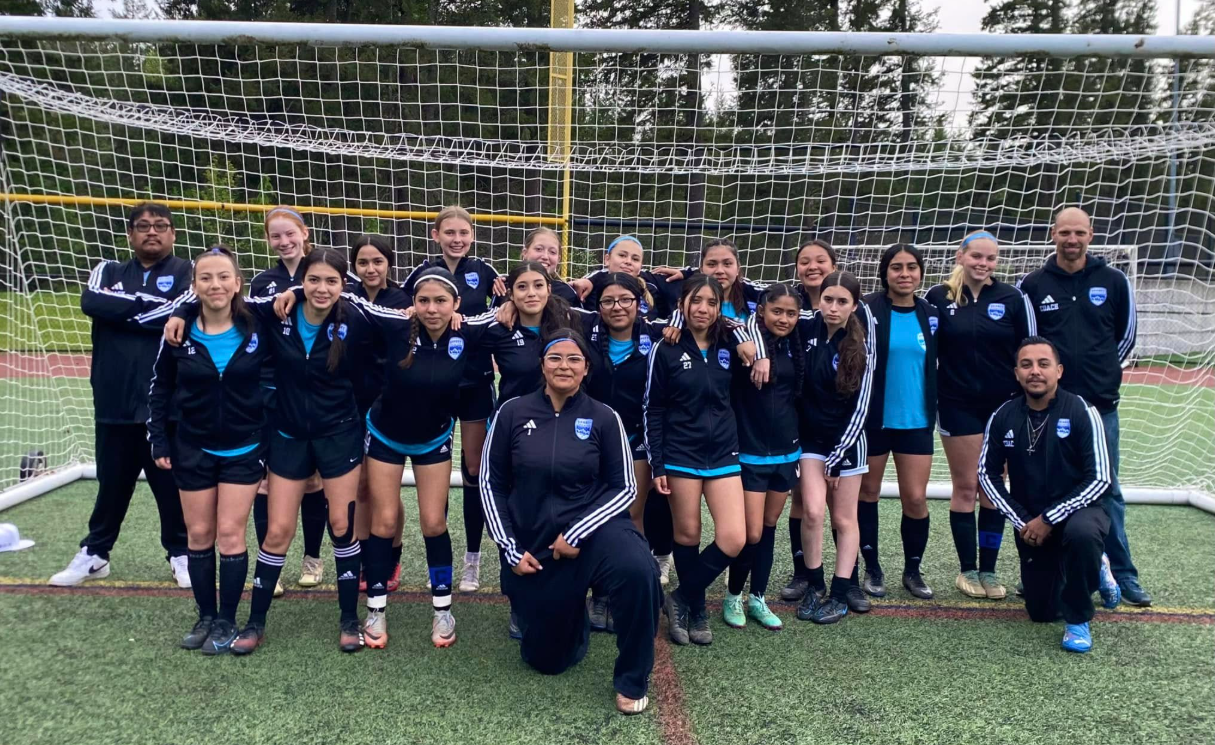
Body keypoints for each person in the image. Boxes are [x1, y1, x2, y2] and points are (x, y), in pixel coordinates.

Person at [164, 247, 375, 654]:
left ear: (343, 285)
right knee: (277, 530)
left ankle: (350, 619)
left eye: (332, 281)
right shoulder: (271, 313)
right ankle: (254, 622)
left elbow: (379, 365)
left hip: (339, 436)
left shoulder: (357, 318)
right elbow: (221, 296)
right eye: (313, 280)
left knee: (342, 526)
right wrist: (183, 312)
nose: (321, 288)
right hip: (287, 436)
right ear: (301, 282)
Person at [481, 331, 660, 715]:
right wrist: (510, 549)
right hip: (537, 541)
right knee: (547, 662)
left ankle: (632, 678)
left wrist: (578, 531)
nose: (564, 366)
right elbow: (490, 483)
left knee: (639, 570)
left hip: (595, 530)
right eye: (555, 358)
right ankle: (571, 616)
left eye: (574, 359)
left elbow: (626, 488)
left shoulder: (603, 416)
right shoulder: (512, 412)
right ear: (542, 365)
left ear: (586, 369)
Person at [49, 203, 192, 588]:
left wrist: (123, 310)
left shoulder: (188, 273)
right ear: (130, 234)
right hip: (113, 399)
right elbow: (91, 301)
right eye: (143, 226)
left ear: (173, 234)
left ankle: (180, 553)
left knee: (170, 486)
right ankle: (96, 553)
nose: (151, 232)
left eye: (160, 226)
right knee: (112, 483)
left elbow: (180, 311)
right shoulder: (107, 270)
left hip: (166, 404)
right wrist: (152, 311)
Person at [1018, 207, 1149, 607]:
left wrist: (1102, 373)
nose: (1072, 239)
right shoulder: (1034, 284)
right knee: (1043, 488)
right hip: (1049, 408)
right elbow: (1029, 342)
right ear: (1052, 235)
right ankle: (1042, 570)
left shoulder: (1113, 280)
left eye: (1079, 232)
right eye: (1064, 233)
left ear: (1090, 235)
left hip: (1100, 404)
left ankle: (1124, 575)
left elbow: (1125, 338)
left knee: (1107, 489)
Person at [146, 246, 269, 654]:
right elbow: (160, 388)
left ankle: (227, 620)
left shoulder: (257, 327)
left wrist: (267, 445)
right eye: (205, 278)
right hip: (193, 447)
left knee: (231, 535)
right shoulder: (177, 333)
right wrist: (160, 440)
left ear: (238, 283)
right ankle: (204, 615)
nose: (215, 285)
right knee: (199, 534)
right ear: (194, 285)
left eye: (223, 277)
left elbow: (272, 388)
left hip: (243, 448)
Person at [978, 336, 1122, 652]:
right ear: (1016, 373)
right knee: (1041, 613)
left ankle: (1078, 620)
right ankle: (1091, 566)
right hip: (1031, 520)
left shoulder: (1083, 411)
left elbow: (1100, 480)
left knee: (1082, 535)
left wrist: (1049, 517)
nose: (1035, 371)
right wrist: (1023, 521)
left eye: (1043, 364)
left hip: (1081, 511)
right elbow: (986, 476)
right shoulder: (1003, 415)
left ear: (1059, 370)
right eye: (1026, 364)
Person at [925, 231, 1036, 601]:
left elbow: (1029, 349)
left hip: (1003, 408)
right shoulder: (938, 298)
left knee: (993, 489)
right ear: (961, 255)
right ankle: (966, 570)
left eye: (990, 258)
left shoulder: (1013, 297)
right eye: (976, 256)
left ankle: (988, 570)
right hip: (956, 404)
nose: (983, 264)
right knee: (968, 486)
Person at [402, 206, 502, 595]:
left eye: (464, 232)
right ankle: (437, 558)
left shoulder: (488, 272)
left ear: (472, 235)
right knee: (435, 471)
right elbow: (403, 310)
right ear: (435, 234)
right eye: (450, 232)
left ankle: (472, 559)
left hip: (475, 383)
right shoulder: (420, 273)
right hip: (437, 386)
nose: (457, 239)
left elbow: (504, 309)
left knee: (474, 470)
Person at [645, 275, 749, 646]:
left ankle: (680, 597)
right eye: (696, 301)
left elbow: (749, 324)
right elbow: (652, 409)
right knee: (687, 535)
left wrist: (752, 347)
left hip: (723, 452)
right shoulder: (666, 347)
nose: (703, 309)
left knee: (735, 538)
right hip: (680, 453)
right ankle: (697, 608)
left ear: (719, 308)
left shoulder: (730, 344)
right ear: (683, 305)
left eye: (711, 302)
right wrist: (658, 464)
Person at [250, 206, 328, 593]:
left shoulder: (324, 269)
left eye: (289, 234)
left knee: (314, 481)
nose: (283, 242)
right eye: (275, 236)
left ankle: (312, 558)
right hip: (272, 390)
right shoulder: (263, 281)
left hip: (316, 390)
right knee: (266, 481)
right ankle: (271, 561)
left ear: (304, 233)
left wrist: (299, 290)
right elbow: (251, 320)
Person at [790, 271, 874, 624]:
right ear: (819, 299)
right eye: (828, 299)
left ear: (854, 306)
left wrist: (839, 455)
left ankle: (840, 593)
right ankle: (815, 585)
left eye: (842, 301)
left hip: (847, 446)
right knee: (811, 511)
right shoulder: (804, 328)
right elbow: (754, 319)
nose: (833, 307)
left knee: (843, 518)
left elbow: (862, 408)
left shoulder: (860, 345)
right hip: (810, 441)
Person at [719, 284, 805, 632]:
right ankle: (732, 595)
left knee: (768, 529)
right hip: (751, 452)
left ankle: (758, 597)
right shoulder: (746, 346)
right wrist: (749, 341)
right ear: (762, 312)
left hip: (786, 452)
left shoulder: (795, 346)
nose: (783, 319)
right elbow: (724, 322)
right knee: (750, 532)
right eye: (776, 311)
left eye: (790, 313)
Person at [857, 244, 939, 600]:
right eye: (896, 268)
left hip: (917, 421)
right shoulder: (867, 310)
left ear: (920, 272)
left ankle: (913, 569)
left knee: (916, 498)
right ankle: (872, 569)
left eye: (911, 267)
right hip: (874, 421)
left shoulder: (933, 314)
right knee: (868, 493)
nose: (904, 274)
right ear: (885, 272)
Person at [347, 234, 410, 594]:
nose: (370, 268)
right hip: (351, 402)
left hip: (389, 402)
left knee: (381, 488)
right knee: (359, 487)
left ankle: (391, 555)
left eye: (377, 261)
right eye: (363, 262)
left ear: (389, 263)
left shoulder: (402, 300)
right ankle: (363, 559)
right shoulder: (347, 298)